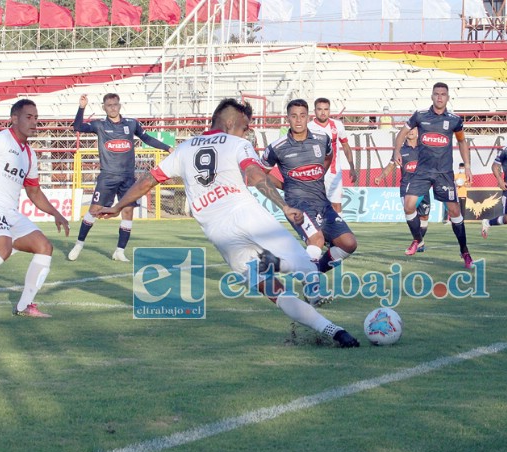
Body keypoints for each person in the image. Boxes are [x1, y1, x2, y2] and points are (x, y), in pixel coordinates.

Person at [97, 98, 359, 348]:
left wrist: (118, 206)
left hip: (219, 233)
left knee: (276, 293)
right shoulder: (236, 143)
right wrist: (285, 206)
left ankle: (335, 332)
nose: (247, 133)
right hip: (248, 216)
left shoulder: (184, 148)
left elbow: (147, 180)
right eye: (245, 127)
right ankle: (282, 267)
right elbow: (256, 175)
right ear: (232, 124)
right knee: (308, 269)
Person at [0, 99, 70, 317]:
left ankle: (25, 306)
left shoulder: (29, 154)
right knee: (3, 249)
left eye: (36, 118)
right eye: (29, 117)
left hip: (10, 212)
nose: (34, 122)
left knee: (44, 246)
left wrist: (56, 213)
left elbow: (34, 192)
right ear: (14, 119)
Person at [67, 93, 173, 263]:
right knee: (94, 210)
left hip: (127, 177)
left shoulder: (131, 124)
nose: (113, 107)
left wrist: (167, 148)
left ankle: (119, 251)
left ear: (120, 105)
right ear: (104, 107)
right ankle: (79, 244)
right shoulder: (99, 125)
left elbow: (146, 138)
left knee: (128, 211)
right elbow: (77, 127)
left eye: (115, 104)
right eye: (109, 105)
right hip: (107, 176)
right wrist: (82, 107)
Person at [263, 99, 358, 273]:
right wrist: (284, 186)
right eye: (294, 116)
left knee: (349, 244)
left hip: (322, 202)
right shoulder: (277, 147)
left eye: (302, 116)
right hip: (297, 205)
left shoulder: (323, 140)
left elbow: (328, 157)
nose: (298, 120)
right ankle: (311, 287)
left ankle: (310, 272)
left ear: (308, 117)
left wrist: (318, 174)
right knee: (317, 240)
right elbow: (261, 174)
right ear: (288, 118)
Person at [392, 82, 474, 267]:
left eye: (443, 94)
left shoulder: (454, 120)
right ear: (431, 96)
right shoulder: (420, 116)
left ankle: (465, 252)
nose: (439, 97)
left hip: (444, 173)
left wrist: (467, 165)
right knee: (408, 205)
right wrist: (397, 151)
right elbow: (402, 133)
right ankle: (417, 239)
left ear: (447, 97)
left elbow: (462, 142)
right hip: (422, 171)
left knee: (454, 211)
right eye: (436, 94)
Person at [374, 127, 431, 252]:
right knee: (411, 213)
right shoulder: (400, 150)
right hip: (407, 187)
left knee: (424, 217)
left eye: (413, 129)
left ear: (418, 132)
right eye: (408, 130)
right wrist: (380, 177)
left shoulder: (424, 149)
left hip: (423, 187)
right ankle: (418, 242)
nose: (411, 131)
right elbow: (390, 166)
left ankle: (419, 241)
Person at [307, 97, 358, 213]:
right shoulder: (309, 127)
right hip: (315, 171)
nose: (323, 112)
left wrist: (352, 167)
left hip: (334, 172)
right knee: (316, 203)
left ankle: (338, 230)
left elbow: (346, 146)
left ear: (329, 110)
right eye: (320, 109)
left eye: (326, 109)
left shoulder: (338, 125)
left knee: (336, 204)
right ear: (315, 111)